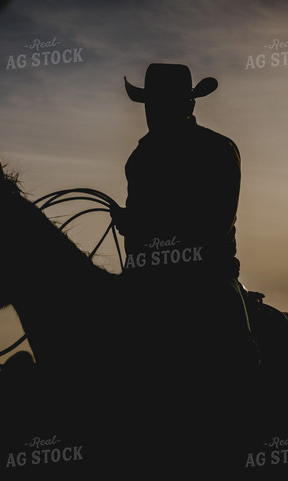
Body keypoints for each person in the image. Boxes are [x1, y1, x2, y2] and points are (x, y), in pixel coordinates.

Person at [111, 64, 259, 430]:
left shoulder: (217, 149)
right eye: (149, 105)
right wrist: (132, 226)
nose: (151, 112)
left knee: (239, 354)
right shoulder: (140, 157)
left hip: (206, 276)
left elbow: (215, 224)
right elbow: (139, 225)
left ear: (184, 104)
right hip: (144, 279)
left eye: (158, 104)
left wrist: (142, 226)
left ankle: (251, 420)